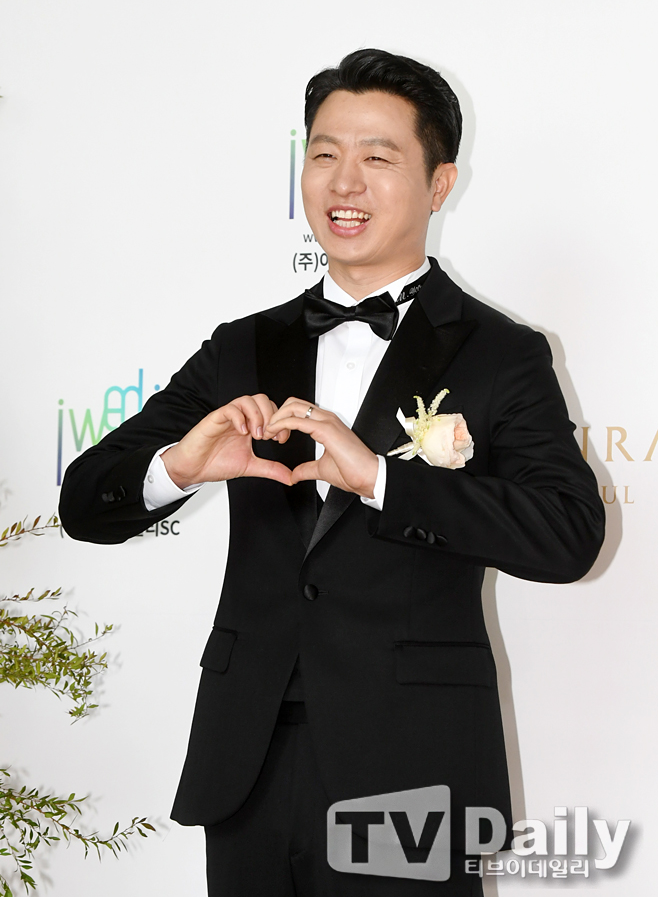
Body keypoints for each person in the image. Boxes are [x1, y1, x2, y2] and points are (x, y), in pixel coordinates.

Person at [59, 48, 605, 897]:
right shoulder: (243, 346)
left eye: (378, 157)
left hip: (414, 769)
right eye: (324, 153)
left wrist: (384, 480)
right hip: (247, 764)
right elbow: (85, 501)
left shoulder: (502, 353)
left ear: (440, 183)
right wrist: (178, 466)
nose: (344, 182)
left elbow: (569, 535)